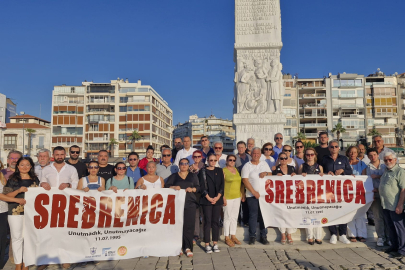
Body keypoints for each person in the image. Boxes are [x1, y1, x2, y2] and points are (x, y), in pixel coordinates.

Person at [4, 157, 39, 270]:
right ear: (18, 166)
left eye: (27, 165)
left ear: (31, 167)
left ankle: (26, 263)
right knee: (16, 238)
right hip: (15, 212)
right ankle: (18, 263)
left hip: (32, 212)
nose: (25, 167)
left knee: (29, 238)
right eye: (22, 165)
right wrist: (18, 191)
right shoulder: (12, 180)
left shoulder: (35, 180)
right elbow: (6, 197)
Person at [165, 158, 200, 257]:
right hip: (177, 204)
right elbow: (166, 186)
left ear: (188, 165)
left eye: (186, 163)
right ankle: (178, 246)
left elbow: (199, 187)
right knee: (178, 226)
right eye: (182, 163)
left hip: (190, 203)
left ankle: (187, 247)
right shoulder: (174, 176)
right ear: (179, 165)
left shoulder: (193, 176)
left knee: (189, 226)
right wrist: (173, 187)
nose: (184, 165)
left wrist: (192, 189)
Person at [322, 140, 353, 245]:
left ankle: (343, 234)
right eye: (332, 147)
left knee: (342, 210)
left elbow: (350, 172)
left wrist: (343, 171)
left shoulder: (344, 159)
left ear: (338, 148)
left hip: (341, 190)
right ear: (329, 148)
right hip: (329, 190)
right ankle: (333, 234)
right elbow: (320, 173)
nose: (334, 148)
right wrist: (327, 173)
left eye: (336, 146)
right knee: (330, 210)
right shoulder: (324, 159)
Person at [242, 147, 271, 245]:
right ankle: (252, 236)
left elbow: (271, 174)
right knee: (253, 215)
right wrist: (254, 192)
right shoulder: (247, 166)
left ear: (260, 154)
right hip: (252, 195)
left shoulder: (264, 163)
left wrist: (266, 173)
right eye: (254, 153)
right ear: (251, 154)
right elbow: (245, 180)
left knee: (263, 215)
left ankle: (264, 236)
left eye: (258, 153)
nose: (256, 155)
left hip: (264, 195)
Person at [362, 148, 389, 247]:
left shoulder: (385, 164)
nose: (373, 157)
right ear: (368, 157)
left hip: (387, 194)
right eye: (370, 155)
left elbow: (389, 177)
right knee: (378, 217)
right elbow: (364, 181)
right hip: (375, 195)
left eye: (374, 155)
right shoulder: (366, 168)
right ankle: (381, 237)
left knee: (388, 216)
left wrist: (377, 176)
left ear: (378, 155)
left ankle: (389, 237)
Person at [380, 152, 405, 257]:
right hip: (386, 204)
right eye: (385, 160)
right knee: (390, 227)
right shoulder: (386, 171)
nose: (388, 162)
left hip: (395, 205)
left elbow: (404, 189)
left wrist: (400, 205)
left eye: (390, 159)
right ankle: (394, 246)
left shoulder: (400, 172)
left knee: (400, 228)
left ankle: (402, 250)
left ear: (395, 160)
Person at [298, 147, 324, 245]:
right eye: (308, 154)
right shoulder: (301, 166)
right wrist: (301, 175)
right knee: (307, 215)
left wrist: (323, 175)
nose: (310, 156)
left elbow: (323, 180)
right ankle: (310, 237)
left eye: (312, 154)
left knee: (318, 214)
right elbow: (297, 181)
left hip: (317, 194)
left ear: (315, 155)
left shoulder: (319, 166)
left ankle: (318, 237)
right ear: (305, 156)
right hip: (306, 195)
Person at [0, 171, 25, 270]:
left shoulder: (3, 178)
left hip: (4, 211)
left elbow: (7, 193)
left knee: (2, 240)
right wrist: (17, 200)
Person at [199, 153, 224, 253]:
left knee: (215, 222)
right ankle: (207, 243)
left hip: (217, 199)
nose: (212, 162)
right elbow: (202, 186)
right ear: (207, 161)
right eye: (211, 160)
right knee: (207, 221)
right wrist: (209, 198)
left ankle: (215, 243)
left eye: (214, 160)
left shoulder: (219, 170)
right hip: (207, 199)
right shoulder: (203, 171)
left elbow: (222, 185)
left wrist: (217, 197)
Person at [272, 152, 297, 244]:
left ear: (287, 159)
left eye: (285, 158)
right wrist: (275, 175)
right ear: (278, 159)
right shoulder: (276, 169)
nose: (283, 160)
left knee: (290, 214)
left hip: (290, 195)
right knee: (281, 214)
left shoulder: (292, 168)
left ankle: (289, 234)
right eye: (281, 158)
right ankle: (283, 233)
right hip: (280, 195)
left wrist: (295, 175)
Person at [346, 146, 368, 242]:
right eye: (351, 152)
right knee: (349, 213)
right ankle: (352, 234)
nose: (352, 154)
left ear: (357, 153)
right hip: (347, 191)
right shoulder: (344, 163)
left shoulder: (362, 164)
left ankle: (361, 234)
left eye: (354, 152)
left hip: (359, 191)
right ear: (348, 153)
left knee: (360, 213)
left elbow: (363, 178)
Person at [223, 154, 243, 247]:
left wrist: (241, 193)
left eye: (233, 160)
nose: (232, 162)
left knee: (234, 217)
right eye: (230, 160)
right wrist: (222, 196)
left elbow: (240, 183)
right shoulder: (223, 171)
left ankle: (233, 235)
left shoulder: (236, 170)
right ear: (226, 161)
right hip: (228, 196)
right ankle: (226, 236)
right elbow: (221, 185)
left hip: (237, 196)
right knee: (227, 216)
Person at [188, 150, 204, 245]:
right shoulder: (189, 168)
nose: (197, 158)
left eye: (199, 156)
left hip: (204, 193)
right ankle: (196, 234)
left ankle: (205, 235)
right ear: (193, 158)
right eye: (195, 157)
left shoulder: (205, 166)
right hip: (194, 194)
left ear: (201, 157)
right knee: (196, 215)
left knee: (205, 215)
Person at [235, 141, 251, 227]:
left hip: (248, 182)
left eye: (242, 147)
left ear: (245, 148)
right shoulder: (234, 158)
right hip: (238, 183)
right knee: (238, 203)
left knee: (246, 203)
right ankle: (237, 220)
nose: (241, 149)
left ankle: (246, 221)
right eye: (239, 147)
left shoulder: (249, 157)